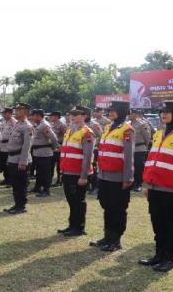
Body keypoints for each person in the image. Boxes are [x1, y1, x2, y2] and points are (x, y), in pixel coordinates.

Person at [139, 100, 173, 272]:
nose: (163, 114)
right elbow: (151, 160)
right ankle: (159, 254)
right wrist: (147, 184)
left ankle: (169, 258)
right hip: (155, 187)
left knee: (172, 224)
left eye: (168, 111)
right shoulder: (158, 133)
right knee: (157, 222)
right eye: (162, 111)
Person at [90, 101, 134, 251]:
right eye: (110, 110)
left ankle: (116, 240)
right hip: (104, 174)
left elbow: (129, 157)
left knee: (118, 208)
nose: (110, 112)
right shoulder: (108, 127)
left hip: (118, 176)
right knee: (107, 206)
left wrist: (128, 178)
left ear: (121, 111)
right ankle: (107, 237)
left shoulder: (127, 129)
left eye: (114, 110)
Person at [57, 106, 95, 236]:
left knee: (78, 201)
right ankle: (72, 225)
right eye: (71, 114)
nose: (72, 116)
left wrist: (84, 176)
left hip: (78, 173)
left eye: (76, 114)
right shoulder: (69, 130)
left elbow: (88, 156)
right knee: (71, 200)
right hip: (67, 171)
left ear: (84, 116)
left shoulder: (87, 132)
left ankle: (79, 227)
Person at [3, 103, 33, 214]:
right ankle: (16, 204)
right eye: (16, 109)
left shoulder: (27, 126)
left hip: (20, 159)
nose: (16, 111)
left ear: (25, 112)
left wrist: (23, 161)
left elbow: (27, 145)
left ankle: (21, 206)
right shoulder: (17, 124)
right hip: (12, 158)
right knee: (15, 184)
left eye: (19, 109)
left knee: (21, 184)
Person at [30, 109, 58, 197]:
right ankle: (37, 187)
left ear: (39, 116)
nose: (32, 117)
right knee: (39, 171)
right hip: (37, 152)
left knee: (45, 172)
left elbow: (54, 138)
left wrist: (53, 148)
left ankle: (46, 190)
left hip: (44, 152)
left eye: (34, 115)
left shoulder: (44, 125)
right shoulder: (37, 125)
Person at [129, 109, 151, 192]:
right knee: (131, 167)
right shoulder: (127, 124)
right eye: (129, 114)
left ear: (136, 115)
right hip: (130, 149)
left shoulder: (142, 124)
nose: (129, 116)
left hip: (139, 149)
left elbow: (147, 137)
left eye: (131, 114)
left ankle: (139, 184)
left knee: (138, 167)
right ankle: (132, 183)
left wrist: (145, 147)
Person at [0, 107, 16, 187]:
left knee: (9, 165)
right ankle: (6, 179)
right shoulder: (3, 121)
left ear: (9, 113)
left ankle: (11, 181)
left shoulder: (15, 122)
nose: (3, 115)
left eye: (4, 113)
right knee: (3, 164)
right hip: (2, 146)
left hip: (9, 146)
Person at [86, 109, 103, 195]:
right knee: (85, 168)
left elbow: (101, 136)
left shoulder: (94, 124)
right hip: (83, 150)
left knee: (94, 169)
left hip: (94, 150)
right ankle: (87, 186)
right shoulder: (80, 125)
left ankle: (95, 187)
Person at [49, 111, 67, 186]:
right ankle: (50, 180)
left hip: (59, 146)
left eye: (52, 116)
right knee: (51, 165)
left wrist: (62, 146)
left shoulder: (62, 125)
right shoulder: (51, 124)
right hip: (52, 147)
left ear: (56, 116)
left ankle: (59, 180)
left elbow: (66, 136)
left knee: (59, 166)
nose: (51, 117)